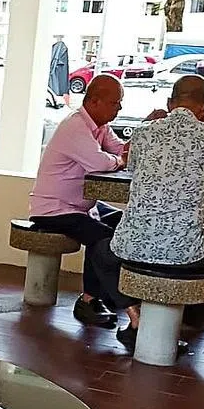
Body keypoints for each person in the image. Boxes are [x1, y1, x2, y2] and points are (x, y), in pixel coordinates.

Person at [91, 75, 204, 348]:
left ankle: (135, 316)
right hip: (186, 254)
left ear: (169, 102)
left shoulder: (143, 133)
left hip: (132, 247)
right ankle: (189, 319)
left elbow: (133, 169)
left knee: (100, 253)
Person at [29, 74, 129, 328]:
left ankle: (110, 292)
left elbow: (121, 149)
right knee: (102, 238)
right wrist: (120, 161)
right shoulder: (75, 126)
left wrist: (143, 137)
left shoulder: (100, 127)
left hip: (81, 206)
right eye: (115, 103)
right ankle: (88, 300)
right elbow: (99, 162)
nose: (119, 108)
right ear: (94, 101)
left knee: (125, 221)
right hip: (53, 208)